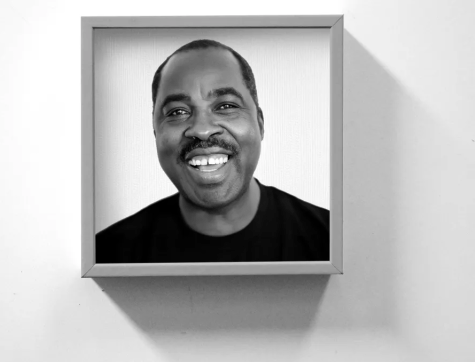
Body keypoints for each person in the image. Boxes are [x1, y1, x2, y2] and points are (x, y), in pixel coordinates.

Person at [96, 39, 329, 263]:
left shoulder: (331, 242)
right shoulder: (106, 255)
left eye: (226, 106)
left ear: (260, 123)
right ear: (156, 132)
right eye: (177, 112)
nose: (203, 130)